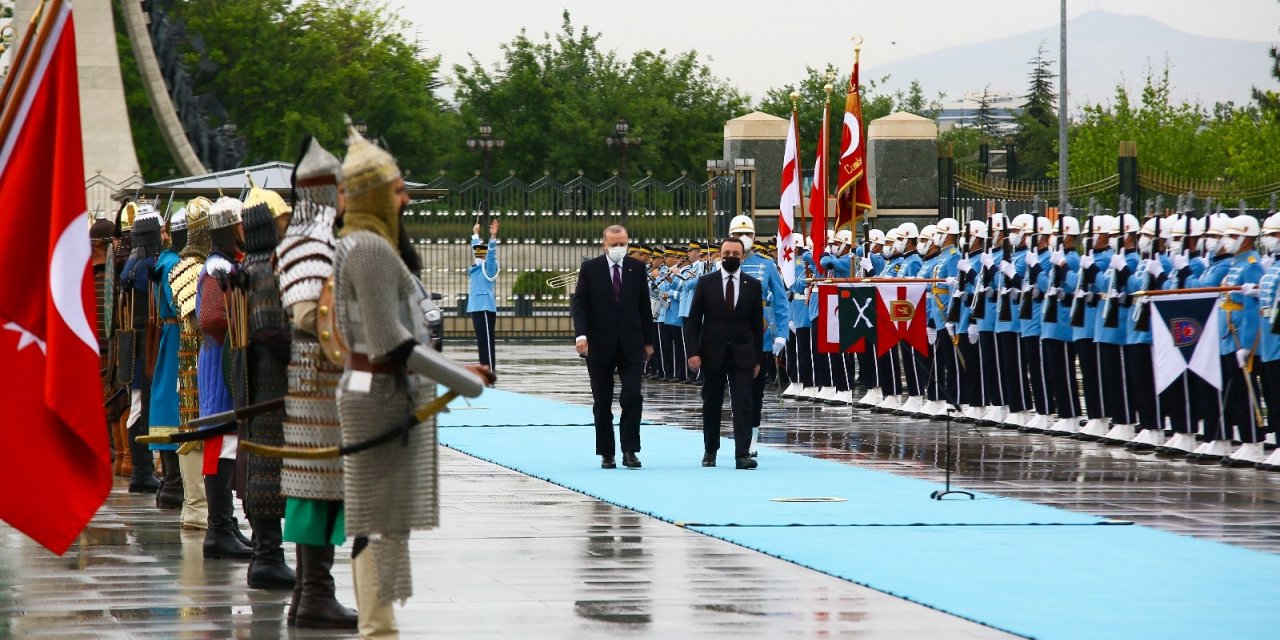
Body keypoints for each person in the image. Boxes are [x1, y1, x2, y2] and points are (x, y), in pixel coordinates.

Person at [334, 125, 488, 638]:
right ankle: (379, 629)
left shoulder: (361, 244)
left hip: (375, 389)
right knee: (379, 522)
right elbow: (390, 343)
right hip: (377, 392)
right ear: (377, 194)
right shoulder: (370, 250)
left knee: (379, 520)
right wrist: (463, 380)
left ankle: (379, 625)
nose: (405, 199)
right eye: (398, 190)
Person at [276, 137, 359, 629]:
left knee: (319, 485)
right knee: (316, 486)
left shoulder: (311, 238)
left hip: (317, 379)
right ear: (327, 193)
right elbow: (311, 313)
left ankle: (309, 595)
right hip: (318, 380)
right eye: (342, 190)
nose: (346, 198)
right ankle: (314, 596)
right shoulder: (313, 241)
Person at [239, 184, 297, 590]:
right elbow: (269, 331)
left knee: (268, 465)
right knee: (266, 468)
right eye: (282, 220)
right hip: (268, 380)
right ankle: (267, 557)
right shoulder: (263, 268)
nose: (287, 226)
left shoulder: (257, 265)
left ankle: (267, 554)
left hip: (265, 380)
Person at [571, 224, 656, 469]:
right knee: (602, 400)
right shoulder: (591, 268)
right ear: (604, 244)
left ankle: (630, 450)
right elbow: (580, 305)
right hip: (599, 344)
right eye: (614, 244)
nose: (619, 248)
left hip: (631, 344)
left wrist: (648, 341)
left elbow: (643, 307)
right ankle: (607, 452)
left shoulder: (636, 268)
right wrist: (581, 336)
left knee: (632, 396)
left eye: (623, 243)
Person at [197, 196, 254, 560]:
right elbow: (211, 319)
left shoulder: (229, 264)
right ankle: (218, 529)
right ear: (230, 229)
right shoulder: (218, 267)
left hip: (226, 357)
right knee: (221, 442)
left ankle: (225, 524)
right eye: (240, 226)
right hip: (220, 360)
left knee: (229, 441)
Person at [685, 237, 764, 470]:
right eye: (727, 253)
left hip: (743, 354)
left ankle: (742, 454)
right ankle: (710, 451)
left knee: (743, 404)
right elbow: (693, 321)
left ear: (742, 256)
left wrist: (758, 358)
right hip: (712, 353)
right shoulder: (706, 283)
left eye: (735, 254)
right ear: (720, 254)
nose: (731, 257)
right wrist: (693, 352)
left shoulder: (752, 284)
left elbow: (756, 326)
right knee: (712, 403)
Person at [149, 206, 187, 510]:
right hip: (178, 338)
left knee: (167, 404)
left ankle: (173, 483)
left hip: (170, 336)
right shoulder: (174, 263)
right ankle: (174, 483)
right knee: (173, 405)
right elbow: (180, 306)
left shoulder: (167, 260)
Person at [467, 220, 500, 371]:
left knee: (487, 342)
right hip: (476, 307)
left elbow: (491, 255)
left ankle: (490, 371)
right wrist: (475, 234)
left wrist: (493, 237)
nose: (480, 251)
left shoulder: (489, 266)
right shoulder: (477, 266)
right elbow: (477, 251)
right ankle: (485, 369)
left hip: (485, 307)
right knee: (482, 342)